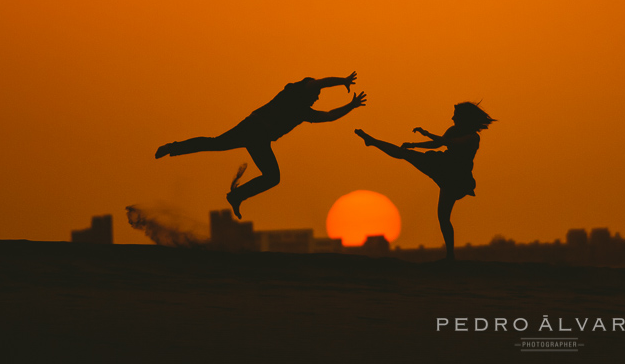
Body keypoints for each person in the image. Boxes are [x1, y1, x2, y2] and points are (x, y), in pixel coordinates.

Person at [156, 73, 366, 218]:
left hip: (260, 139)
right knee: (215, 144)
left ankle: (236, 195)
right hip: (253, 128)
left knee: (272, 177)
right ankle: (172, 148)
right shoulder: (293, 92)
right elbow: (319, 83)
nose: (317, 98)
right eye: (316, 95)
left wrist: (351, 105)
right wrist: (343, 81)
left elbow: (329, 116)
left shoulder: (303, 113)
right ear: (308, 90)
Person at [355, 102, 495, 260]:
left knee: (443, 217)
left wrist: (426, 133)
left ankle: (450, 256)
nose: (452, 117)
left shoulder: (473, 137)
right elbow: (437, 144)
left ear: (464, 118)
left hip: (456, 177)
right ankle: (372, 141)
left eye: (455, 115)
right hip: (442, 165)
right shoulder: (453, 130)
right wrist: (415, 144)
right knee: (404, 153)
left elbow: (449, 143)